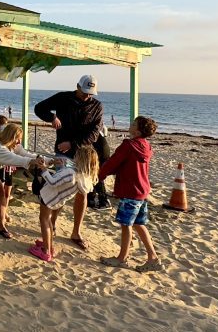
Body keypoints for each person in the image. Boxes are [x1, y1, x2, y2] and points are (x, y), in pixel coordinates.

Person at [33, 75, 104, 250]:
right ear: (78, 87)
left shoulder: (97, 106)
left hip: (84, 156)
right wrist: (51, 118)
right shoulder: (63, 98)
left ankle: (76, 232)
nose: (88, 96)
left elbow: (94, 133)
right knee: (61, 188)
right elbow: (39, 108)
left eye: (90, 93)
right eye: (85, 92)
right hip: (63, 153)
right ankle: (53, 224)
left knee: (83, 192)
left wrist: (73, 144)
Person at [98, 116, 163, 271]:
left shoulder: (128, 145)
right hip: (142, 190)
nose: (130, 124)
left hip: (130, 191)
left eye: (134, 124)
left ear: (138, 130)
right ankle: (153, 258)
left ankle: (122, 258)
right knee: (139, 224)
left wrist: (99, 176)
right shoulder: (146, 146)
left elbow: (113, 163)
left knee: (126, 225)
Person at [0, 119, 45, 239]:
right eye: (17, 139)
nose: (19, 142)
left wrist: (47, 160)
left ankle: (1, 226)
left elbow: (25, 154)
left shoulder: (11, 145)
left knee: (0, 194)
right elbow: (17, 160)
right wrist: (33, 161)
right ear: (10, 137)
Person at [28, 145, 99, 262]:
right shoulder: (83, 177)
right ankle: (49, 245)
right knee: (49, 221)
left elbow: (52, 182)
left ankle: (46, 251)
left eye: (76, 156)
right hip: (57, 200)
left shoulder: (70, 172)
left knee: (44, 221)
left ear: (80, 159)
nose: (74, 158)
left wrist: (44, 169)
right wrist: (61, 166)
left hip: (48, 197)